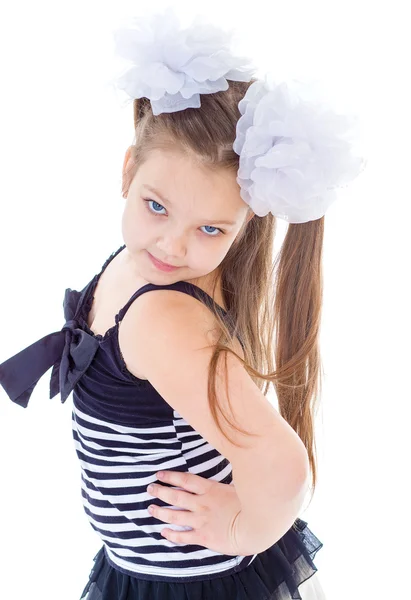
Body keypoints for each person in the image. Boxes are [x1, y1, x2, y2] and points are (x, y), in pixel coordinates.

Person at [0, 7, 366, 600]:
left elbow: (283, 467)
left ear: (245, 226)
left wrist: (245, 528)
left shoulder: (163, 319)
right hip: (147, 565)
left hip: (187, 584)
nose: (173, 245)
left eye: (211, 230)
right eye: (157, 207)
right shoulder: (145, 274)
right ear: (127, 171)